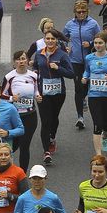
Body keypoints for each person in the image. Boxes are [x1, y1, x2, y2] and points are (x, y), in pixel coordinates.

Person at [32, 30, 74, 164]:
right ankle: (46, 152)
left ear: (56, 40)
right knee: (45, 121)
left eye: (52, 39)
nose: (50, 41)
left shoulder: (62, 55)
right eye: (47, 38)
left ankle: (52, 137)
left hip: (58, 92)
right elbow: (35, 70)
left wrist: (58, 68)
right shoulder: (39, 54)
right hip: (43, 93)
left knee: (54, 118)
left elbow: (71, 73)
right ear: (44, 39)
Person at [63, 0, 101, 129]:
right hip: (75, 61)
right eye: (78, 12)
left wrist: (90, 43)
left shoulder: (93, 23)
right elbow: (62, 38)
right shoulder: (69, 24)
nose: (81, 14)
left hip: (91, 60)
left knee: (88, 85)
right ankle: (80, 117)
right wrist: (66, 48)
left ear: (87, 12)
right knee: (78, 87)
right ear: (75, 12)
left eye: (83, 11)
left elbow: (101, 38)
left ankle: (84, 98)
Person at [1, 51, 41, 170]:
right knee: (12, 146)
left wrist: (38, 96)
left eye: (23, 59)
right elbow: (2, 95)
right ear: (15, 62)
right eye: (18, 59)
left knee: (25, 145)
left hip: (30, 115)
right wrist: (13, 98)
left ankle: (22, 174)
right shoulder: (9, 77)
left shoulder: (33, 76)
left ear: (27, 61)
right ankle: (6, 169)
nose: (21, 61)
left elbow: (36, 90)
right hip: (14, 117)